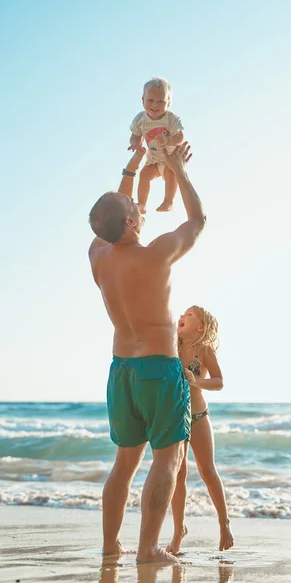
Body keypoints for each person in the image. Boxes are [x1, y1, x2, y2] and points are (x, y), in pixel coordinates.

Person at [88, 142, 205, 564]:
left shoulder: (98, 255)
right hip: (158, 366)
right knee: (168, 459)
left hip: (122, 371)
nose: (138, 204)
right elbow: (197, 220)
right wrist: (176, 168)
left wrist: (134, 162)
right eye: (134, 207)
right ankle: (148, 549)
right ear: (135, 222)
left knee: (124, 464)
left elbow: (110, 214)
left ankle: (109, 546)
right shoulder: (156, 255)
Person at [166, 306, 234, 554]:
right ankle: (178, 532)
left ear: (201, 326)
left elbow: (219, 382)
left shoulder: (204, 350)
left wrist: (196, 380)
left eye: (190, 315)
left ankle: (224, 523)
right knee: (178, 475)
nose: (182, 317)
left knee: (207, 471)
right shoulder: (170, 346)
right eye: (182, 314)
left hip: (198, 417)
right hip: (174, 418)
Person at [128, 77, 184, 214]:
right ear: (143, 100)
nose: (155, 105)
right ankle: (141, 204)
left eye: (161, 101)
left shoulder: (171, 119)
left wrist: (168, 141)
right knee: (144, 174)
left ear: (168, 103)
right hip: (153, 158)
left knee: (171, 174)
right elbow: (135, 136)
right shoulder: (140, 119)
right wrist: (135, 144)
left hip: (169, 157)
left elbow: (180, 138)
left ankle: (168, 201)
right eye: (150, 100)